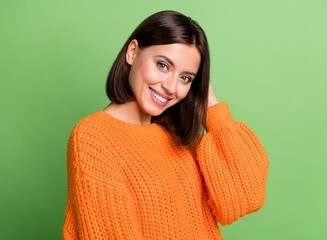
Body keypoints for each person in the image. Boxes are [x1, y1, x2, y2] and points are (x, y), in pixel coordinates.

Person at [62, 10, 269, 240]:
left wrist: (209, 103)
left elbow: (245, 195)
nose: (171, 87)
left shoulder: (177, 134)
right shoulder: (94, 138)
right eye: (163, 65)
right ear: (132, 52)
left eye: (185, 78)